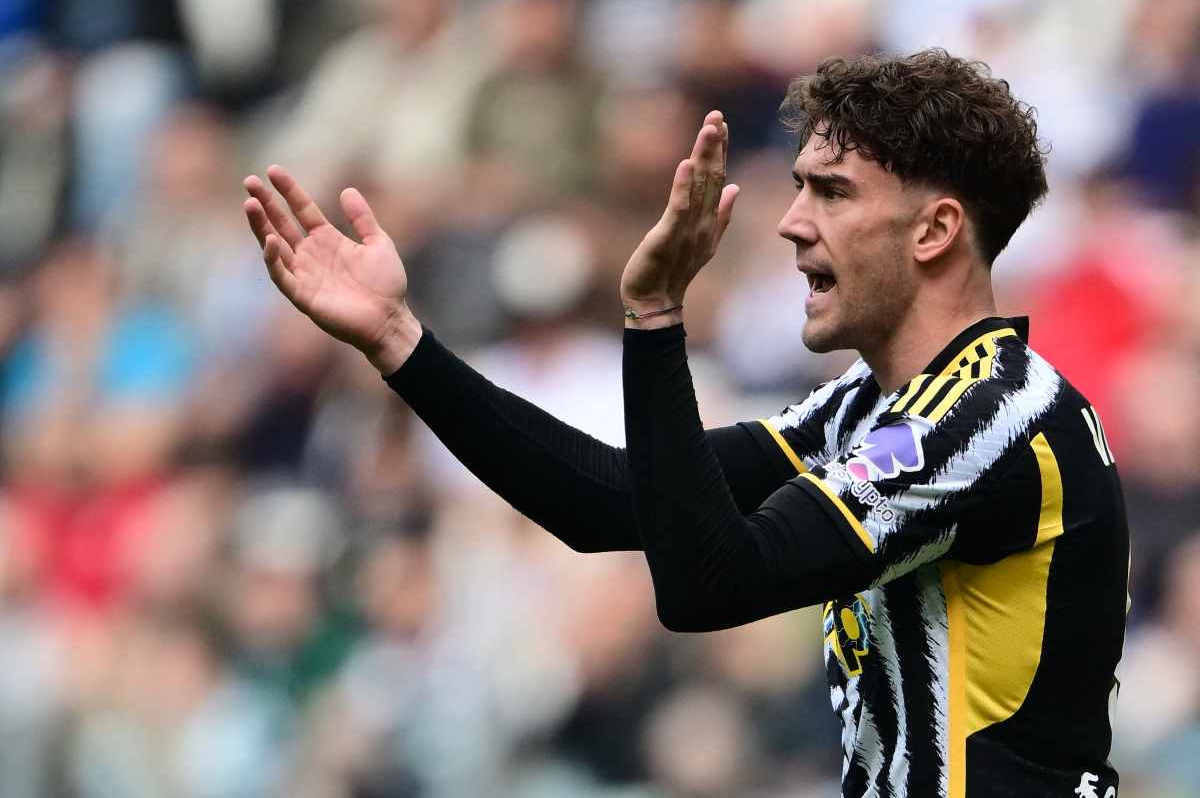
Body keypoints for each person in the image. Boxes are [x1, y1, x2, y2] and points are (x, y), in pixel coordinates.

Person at [242, 49, 1128, 798]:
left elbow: (709, 584)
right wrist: (399, 340)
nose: (792, 224)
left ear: (934, 231)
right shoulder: (871, 406)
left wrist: (658, 317)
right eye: (799, 188)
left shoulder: (987, 416)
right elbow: (604, 500)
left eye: (833, 193)